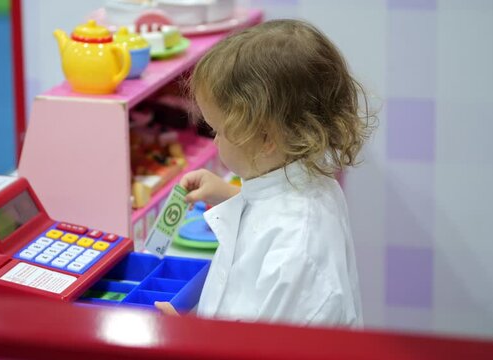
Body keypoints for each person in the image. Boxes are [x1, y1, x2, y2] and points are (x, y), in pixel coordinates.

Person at [155, 19, 375, 327]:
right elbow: (276, 208)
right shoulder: (307, 181)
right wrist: (230, 193)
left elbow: (262, 348)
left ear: (266, 138)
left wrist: (184, 337)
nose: (215, 141)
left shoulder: (296, 251)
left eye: (218, 130)